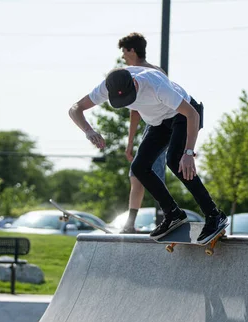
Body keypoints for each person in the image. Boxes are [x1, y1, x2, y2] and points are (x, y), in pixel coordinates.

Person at [68, 67, 228, 243]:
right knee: (139, 167)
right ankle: (173, 213)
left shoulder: (155, 85)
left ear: (135, 83)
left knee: (175, 160)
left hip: (182, 116)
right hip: (157, 123)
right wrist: (88, 130)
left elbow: (192, 113)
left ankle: (214, 214)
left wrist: (188, 152)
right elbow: (75, 109)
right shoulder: (106, 87)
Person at [118, 32, 167, 233]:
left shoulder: (148, 73)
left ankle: (168, 218)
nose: (122, 56)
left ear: (132, 50)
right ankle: (130, 224)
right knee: (137, 174)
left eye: (123, 51)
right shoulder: (141, 72)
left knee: (153, 173)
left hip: (165, 126)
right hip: (152, 127)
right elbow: (135, 110)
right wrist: (130, 143)